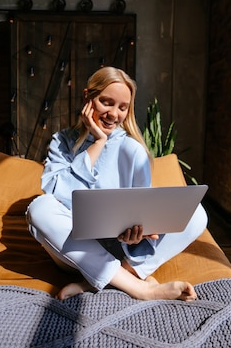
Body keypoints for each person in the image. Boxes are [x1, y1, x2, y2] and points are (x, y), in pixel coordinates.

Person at [26, 66, 207, 301]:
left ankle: (108, 279)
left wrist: (139, 234)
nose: (114, 114)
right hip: (75, 251)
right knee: (39, 208)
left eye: (122, 107)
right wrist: (98, 143)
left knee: (197, 214)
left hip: (123, 250)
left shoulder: (132, 150)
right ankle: (140, 288)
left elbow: (141, 212)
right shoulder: (61, 142)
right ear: (88, 97)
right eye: (106, 102)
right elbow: (58, 193)